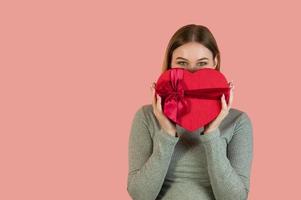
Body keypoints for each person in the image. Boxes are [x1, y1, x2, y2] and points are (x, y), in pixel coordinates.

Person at [127, 24, 253, 200]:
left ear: (215, 61)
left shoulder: (238, 121)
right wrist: (168, 133)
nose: (192, 73)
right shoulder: (146, 116)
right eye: (182, 63)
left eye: (202, 63)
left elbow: (235, 198)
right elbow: (140, 195)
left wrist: (211, 132)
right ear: (170, 63)